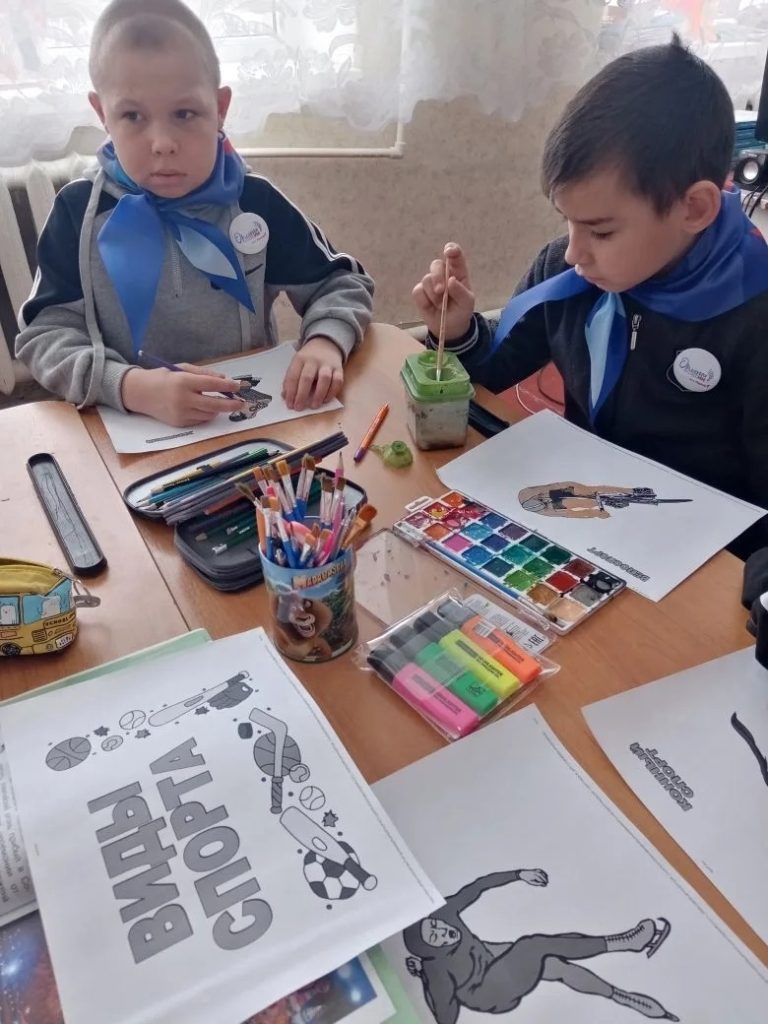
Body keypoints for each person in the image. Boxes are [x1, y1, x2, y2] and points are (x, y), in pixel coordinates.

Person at [413, 36, 768, 557]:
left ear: (694, 209)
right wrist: (461, 332)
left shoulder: (753, 316)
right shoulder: (566, 271)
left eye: (601, 231)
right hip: (586, 519)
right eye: (568, 221)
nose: (574, 251)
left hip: (702, 559)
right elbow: (492, 373)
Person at [16, 0, 373, 425]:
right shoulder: (77, 212)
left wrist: (325, 342)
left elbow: (341, 283)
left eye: (184, 113)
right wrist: (128, 386)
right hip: (132, 426)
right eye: (132, 115)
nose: (163, 143)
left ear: (220, 108)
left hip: (246, 419)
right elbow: (44, 335)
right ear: (102, 114)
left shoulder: (255, 200)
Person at [403, 869, 678, 1021]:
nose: (444, 932)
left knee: (558, 964)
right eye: (437, 938)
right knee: (533, 946)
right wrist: (425, 977)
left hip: (492, 962)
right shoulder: (437, 970)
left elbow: (476, 887)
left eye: (436, 925)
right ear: (434, 950)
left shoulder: (446, 913)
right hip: (490, 995)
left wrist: (518, 874)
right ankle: (624, 942)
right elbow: (446, 1017)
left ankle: (621, 996)